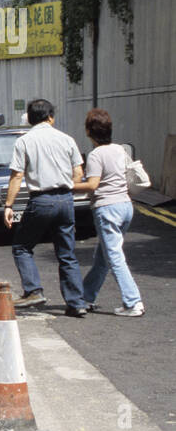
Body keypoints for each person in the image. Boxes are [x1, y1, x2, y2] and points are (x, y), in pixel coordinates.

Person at [2, 99, 88, 316]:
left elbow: (17, 175)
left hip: (41, 200)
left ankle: (33, 290)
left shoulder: (25, 141)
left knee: (22, 246)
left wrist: (8, 205)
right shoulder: (66, 139)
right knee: (66, 253)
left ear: (30, 119)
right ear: (51, 117)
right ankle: (76, 302)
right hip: (66, 199)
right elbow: (78, 173)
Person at [73, 109, 144, 316]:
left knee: (114, 256)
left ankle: (133, 302)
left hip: (107, 208)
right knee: (103, 257)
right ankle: (85, 296)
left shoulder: (96, 155)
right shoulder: (120, 150)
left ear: (88, 131)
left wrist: (68, 185)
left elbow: (93, 184)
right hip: (125, 206)